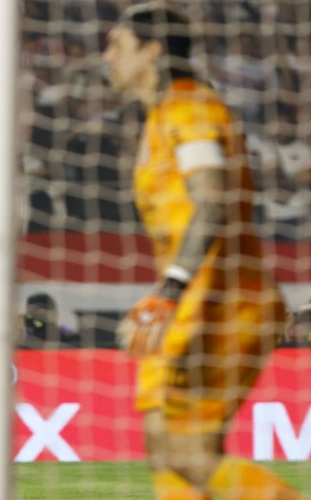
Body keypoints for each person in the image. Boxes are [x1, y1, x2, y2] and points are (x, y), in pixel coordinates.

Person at [103, 4, 302, 500]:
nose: (105, 56)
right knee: (175, 452)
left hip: (224, 300)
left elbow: (212, 200)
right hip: (204, 297)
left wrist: (169, 287)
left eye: (116, 46)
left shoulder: (189, 107)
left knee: (174, 447)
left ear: (151, 51)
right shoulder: (162, 116)